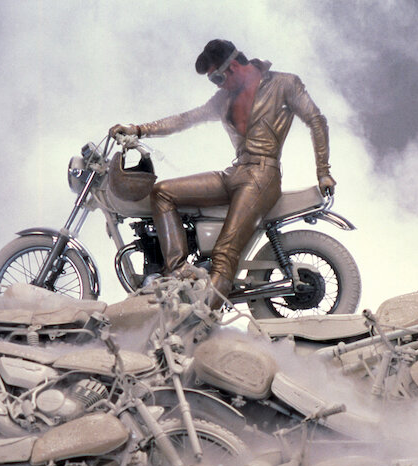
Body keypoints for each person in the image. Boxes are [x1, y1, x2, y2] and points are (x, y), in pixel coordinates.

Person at [110, 39, 335, 306]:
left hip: (263, 175)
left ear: (234, 66)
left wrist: (323, 171)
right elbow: (185, 119)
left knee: (225, 251)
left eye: (216, 78)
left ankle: (204, 318)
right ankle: (179, 274)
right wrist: (138, 130)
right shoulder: (224, 99)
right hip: (236, 172)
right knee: (162, 193)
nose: (217, 85)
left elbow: (316, 120)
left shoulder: (284, 83)